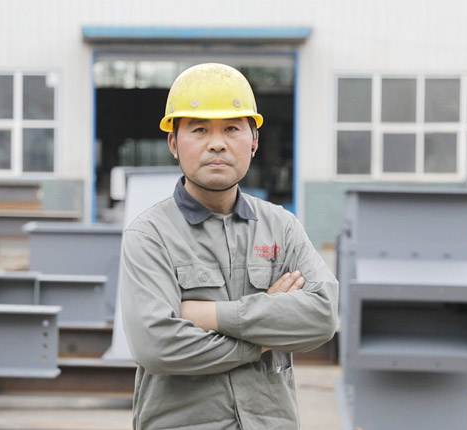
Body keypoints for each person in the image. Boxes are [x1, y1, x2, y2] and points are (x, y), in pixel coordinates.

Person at [120, 63, 339, 430]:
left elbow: (322, 315)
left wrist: (209, 315)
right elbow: (156, 345)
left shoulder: (281, 228)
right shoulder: (150, 235)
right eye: (200, 130)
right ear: (173, 143)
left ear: (253, 142)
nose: (217, 143)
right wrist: (264, 337)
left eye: (232, 129)